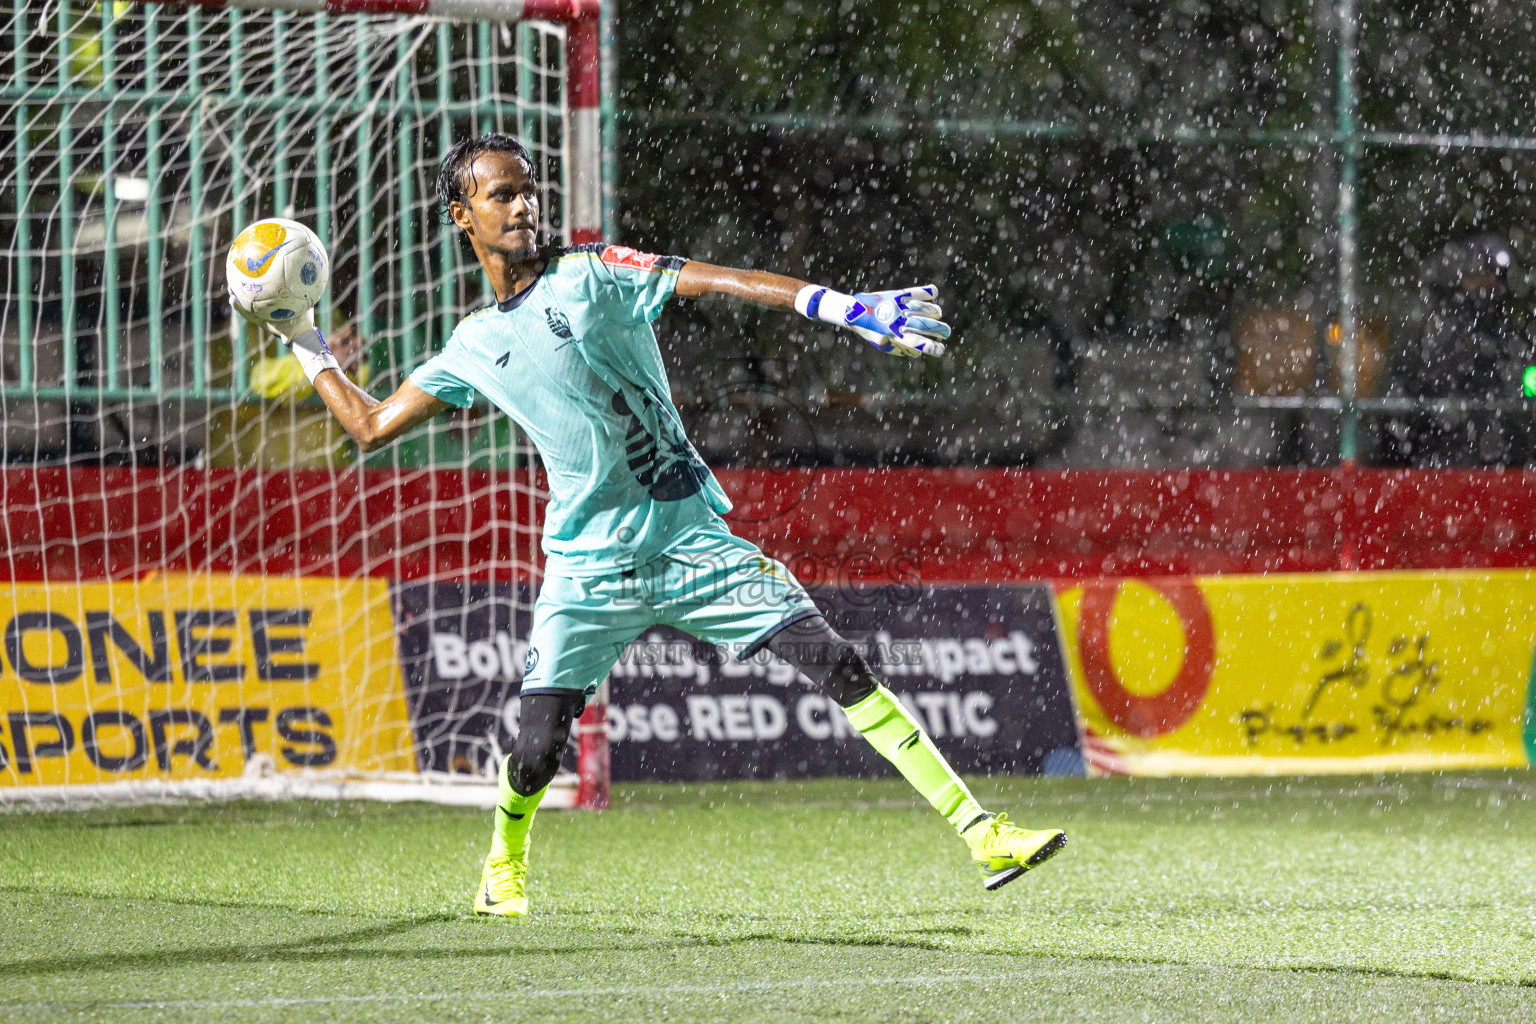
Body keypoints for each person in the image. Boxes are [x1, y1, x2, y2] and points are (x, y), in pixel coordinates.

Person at [245, 133, 1067, 917]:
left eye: (529, 189)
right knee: (535, 751)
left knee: (834, 662)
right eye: (501, 194)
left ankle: (982, 832)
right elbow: (369, 427)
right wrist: (305, 338)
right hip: (586, 570)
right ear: (463, 216)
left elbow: (721, 278)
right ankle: (504, 862)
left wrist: (839, 306)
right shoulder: (472, 343)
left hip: (688, 542)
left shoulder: (596, 270)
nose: (523, 205)